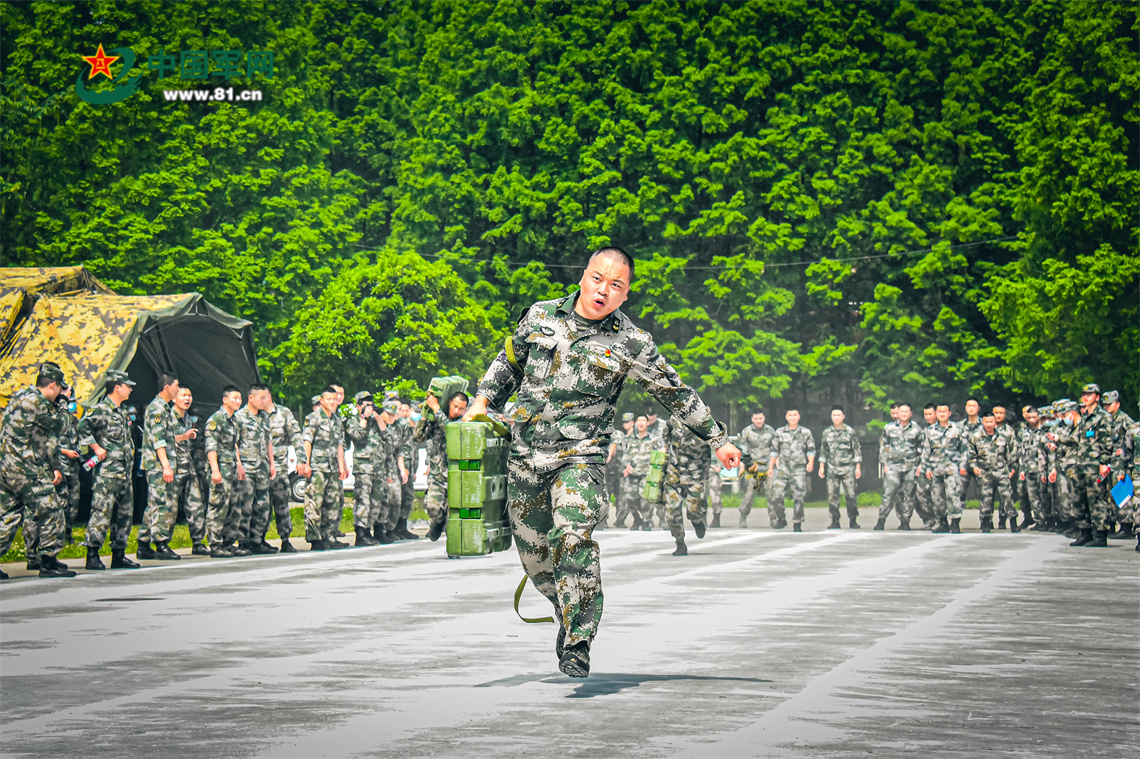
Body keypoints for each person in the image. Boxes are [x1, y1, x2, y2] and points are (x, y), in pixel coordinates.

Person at [462, 247, 739, 678]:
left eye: (616, 285)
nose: (603, 290)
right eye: (597, 279)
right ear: (583, 276)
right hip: (525, 456)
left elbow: (674, 392)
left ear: (626, 294)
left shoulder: (632, 343)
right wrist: (482, 400)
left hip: (580, 456)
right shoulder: (539, 315)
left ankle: (579, 640)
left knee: (573, 537)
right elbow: (509, 362)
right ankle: (566, 611)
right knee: (536, 561)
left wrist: (717, 439)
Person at [0, 364, 75, 579]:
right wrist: (64, 402)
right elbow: (62, 426)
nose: (59, 393)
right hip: (24, 469)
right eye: (59, 389)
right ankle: (48, 561)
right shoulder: (38, 402)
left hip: (5, 467)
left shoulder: (20, 396)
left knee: (9, 515)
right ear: (53, 385)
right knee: (52, 509)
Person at [137, 372, 181, 561]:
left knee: (155, 503)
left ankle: (143, 543)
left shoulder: (164, 408)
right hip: (157, 464)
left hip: (160, 463)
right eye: (176, 386)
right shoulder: (157, 409)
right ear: (167, 387)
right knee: (162, 503)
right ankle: (161, 543)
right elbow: (158, 440)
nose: (178, 389)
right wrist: (165, 466)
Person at [414, 390, 469, 541]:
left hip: (456, 476)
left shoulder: (464, 423)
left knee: (455, 516)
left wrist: (436, 409)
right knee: (433, 507)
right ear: (449, 402)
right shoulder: (437, 420)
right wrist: (425, 415)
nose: (456, 411)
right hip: (437, 474)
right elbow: (418, 437)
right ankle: (438, 521)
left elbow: (450, 431)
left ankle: (453, 541)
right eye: (455, 406)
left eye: (461, 408)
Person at [300, 386, 348, 551]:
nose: (332, 402)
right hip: (317, 467)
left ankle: (330, 536)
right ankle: (315, 538)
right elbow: (307, 441)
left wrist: (341, 466)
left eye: (334, 399)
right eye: (329, 399)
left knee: (332, 503)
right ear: (321, 401)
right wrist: (306, 463)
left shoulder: (337, 420)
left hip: (332, 468)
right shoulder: (313, 418)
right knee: (314, 503)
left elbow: (340, 444)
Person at [1068, 384, 1115, 547]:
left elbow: (1107, 441)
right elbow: (1076, 439)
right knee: (1079, 499)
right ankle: (1085, 532)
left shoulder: (1103, 416)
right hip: (1081, 464)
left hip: (1095, 466)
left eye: (1089, 394)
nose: (1086, 397)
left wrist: (1104, 463)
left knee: (1097, 500)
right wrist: (1058, 439)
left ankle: (1100, 535)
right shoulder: (1084, 417)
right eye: (1084, 394)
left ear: (1097, 397)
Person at [233, 383, 277, 554]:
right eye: (262, 398)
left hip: (261, 468)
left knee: (262, 505)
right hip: (246, 468)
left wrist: (272, 463)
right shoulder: (239, 417)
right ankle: (243, 541)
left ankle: (257, 540)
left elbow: (268, 441)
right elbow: (234, 443)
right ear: (251, 398)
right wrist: (238, 464)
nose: (265, 401)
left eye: (267, 398)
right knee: (245, 506)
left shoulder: (264, 417)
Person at [663, 415, 712, 556]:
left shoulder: (705, 422)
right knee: (671, 511)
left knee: (694, 510)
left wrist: (705, 474)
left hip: (694, 473)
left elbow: (709, 450)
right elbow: (666, 435)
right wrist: (666, 450)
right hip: (674, 472)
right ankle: (680, 542)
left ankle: (697, 521)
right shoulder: (673, 419)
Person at [205, 387, 244, 557]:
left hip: (232, 469)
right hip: (220, 470)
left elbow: (234, 444)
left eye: (240, 398)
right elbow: (210, 446)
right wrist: (215, 470)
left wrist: (239, 464)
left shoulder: (234, 420)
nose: (238, 401)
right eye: (234, 398)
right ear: (225, 400)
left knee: (233, 508)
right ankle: (215, 544)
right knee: (218, 507)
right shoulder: (216, 419)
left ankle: (228, 542)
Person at [968, 409, 1020, 533]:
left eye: (991, 422)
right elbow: (971, 455)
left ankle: (1013, 521)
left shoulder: (1003, 436)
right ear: (983, 422)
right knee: (985, 498)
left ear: (995, 422)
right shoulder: (975, 437)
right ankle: (985, 521)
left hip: (1001, 471)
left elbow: (1010, 453)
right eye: (986, 422)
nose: (989, 424)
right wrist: (974, 466)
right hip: (984, 472)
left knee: (1007, 497)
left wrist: (1011, 468)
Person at [345, 391, 386, 546]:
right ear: (358, 406)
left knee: (376, 501)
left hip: (378, 467)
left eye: (371, 404)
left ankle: (369, 529)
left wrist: (379, 419)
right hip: (363, 468)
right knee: (363, 501)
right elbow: (357, 435)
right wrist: (364, 417)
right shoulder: (353, 421)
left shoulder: (376, 421)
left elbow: (389, 438)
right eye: (366, 404)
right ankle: (361, 532)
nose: (370, 407)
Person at [170, 387, 208, 555]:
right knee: (168, 506)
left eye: (189, 395)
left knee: (195, 505)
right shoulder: (167, 417)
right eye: (183, 395)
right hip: (172, 467)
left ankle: (198, 542)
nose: (187, 398)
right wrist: (182, 437)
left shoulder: (187, 418)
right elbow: (159, 440)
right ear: (174, 398)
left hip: (188, 466)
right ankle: (153, 541)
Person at [920, 403, 968, 534]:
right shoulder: (929, 431)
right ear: (936, 413)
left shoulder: (958, 429)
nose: (942, 414)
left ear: (949, 413)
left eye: (944, 411)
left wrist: (963, 466)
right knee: (937, 497)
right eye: (939, 412)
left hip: (952, 468)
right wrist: (927, 468)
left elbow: (964, 449)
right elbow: (926, 451)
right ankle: (942, 522)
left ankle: (955, 523)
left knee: (953, 495)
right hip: (935, 468)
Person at [877, 402, 924, 530]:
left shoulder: (917, 429)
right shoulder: (889, 428)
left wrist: (919, 465)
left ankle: (905, 521)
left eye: (906, 411)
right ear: (898, 413)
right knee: (889, 493)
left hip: (911, 466)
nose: (903, 414)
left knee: (909, 495)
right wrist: (884, 464)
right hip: (893, 466)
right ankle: (881, 519)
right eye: (901, 411)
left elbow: (922, 448)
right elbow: (884, 446)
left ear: (911, 413)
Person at [767, 409, 815, 532]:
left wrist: (810, 462)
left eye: (795, 415)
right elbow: (774, 450)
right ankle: (781, 518)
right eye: (790, 415)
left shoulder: (805, 432)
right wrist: (771, 467)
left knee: (799, 497)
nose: (793, 417)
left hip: (798, 468)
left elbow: (811, 449)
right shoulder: (779, 432)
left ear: (799, 417)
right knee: (776, 495)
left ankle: (797, 522)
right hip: (783, 468)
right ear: (786, 417)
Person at [266, 393, 302, 552]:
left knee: (281, 503)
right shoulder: (251, 414)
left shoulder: (283, 413)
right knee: (260, 506)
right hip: (258, 468)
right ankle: (257, 539)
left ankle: (285, 539)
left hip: (279, 467)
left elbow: (296, 436)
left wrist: (302, 459)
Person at [819, 405, 862, 530]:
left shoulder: (850, 432)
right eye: (834, 415)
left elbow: (856, 450)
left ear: (843, 416)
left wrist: (858, 467)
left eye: (838, 415)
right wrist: (821, 467)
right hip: (832, 468)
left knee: (851, 495)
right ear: (831, 416)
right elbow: (823, 451)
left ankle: (853, 519)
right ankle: (835, 520)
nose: (836, 417)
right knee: (832, 495)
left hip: (848, 468)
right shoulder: (826, 432)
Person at [1102, 390, 1135, 539]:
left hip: (1121, 464)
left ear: (1117, 404)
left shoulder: (1124, 419)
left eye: (1109, 404)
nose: (1106, 407)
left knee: (1122, 494)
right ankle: (1112, 524)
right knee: (1110, 495)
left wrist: (1126, 450)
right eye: (1105, 405)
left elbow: (1134, 437)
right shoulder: (1106, 420)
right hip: (1110, 463)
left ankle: (1126, 526)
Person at [737, 411, 777, 529]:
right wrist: (743, 467)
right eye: (756, 418)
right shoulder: (747, 431)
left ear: (764, 418)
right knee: (749, 493)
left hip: (768, 465)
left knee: (771, 492)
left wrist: (775, 466)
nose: (758, 421)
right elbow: (742, 451)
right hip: (753, 466)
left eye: (760, 418)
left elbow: (775, 450)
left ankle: (773, 518)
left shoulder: (771, 431)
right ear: (752, 419)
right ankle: (743, 516)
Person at [622, 415, 660, 530]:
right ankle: (636, 518)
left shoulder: (654, 439)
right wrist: (627, 465)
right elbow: (626, 454)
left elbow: (660, 455)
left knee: (646, 499)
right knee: (629, 498)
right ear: (636, 423)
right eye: (639, 420)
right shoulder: (631, 439)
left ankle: (646, 520)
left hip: (647, 474)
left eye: (643, 420)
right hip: (633, 473)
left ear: (648, 423)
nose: (641, 423)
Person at [1017, 405, 1048, 531]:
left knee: (1044, 496)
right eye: (1029, 417)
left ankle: (1050, 520)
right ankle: (1039, 520)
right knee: (1032, 496)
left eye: (1034, 417)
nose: (1031, 420)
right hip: (1028, 468)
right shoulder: (1023, 432)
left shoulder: (1045, 430)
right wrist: (1022, 469)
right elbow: (1021, 451)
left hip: (1042, 468)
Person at [606, 412, 635, 527]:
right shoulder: (599, 435)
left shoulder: (619, 434)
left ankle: (620, 520)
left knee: (621, 497)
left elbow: (619, 447)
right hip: (606, 471)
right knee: (605, 497)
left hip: (619, 470)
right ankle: (602, 521)